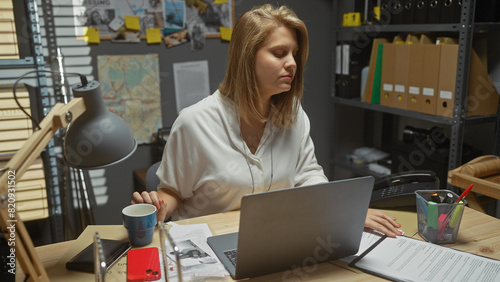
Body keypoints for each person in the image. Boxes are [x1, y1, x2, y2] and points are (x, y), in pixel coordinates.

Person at [132, 4, 402, 237]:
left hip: (271, 239)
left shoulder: (293, 116)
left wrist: (342, 211)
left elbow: (307, 175)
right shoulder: (194, 122)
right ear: (247, 57)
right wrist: (159, 205)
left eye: (294, 53)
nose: (293, 63)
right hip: (206, 246)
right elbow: (174, 192)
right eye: (279, 53)